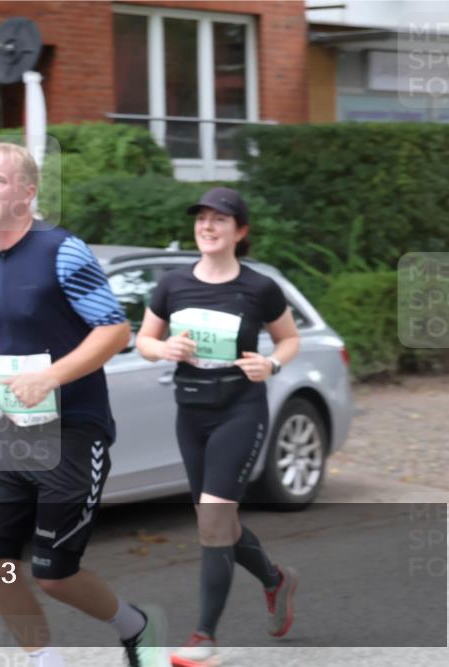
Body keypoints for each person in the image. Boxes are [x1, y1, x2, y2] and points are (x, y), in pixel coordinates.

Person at [0, 143, 167, 667]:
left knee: (55, 572)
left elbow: (114, 329)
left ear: (28, 192)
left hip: (73, 430)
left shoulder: (63, 250)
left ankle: (137, 626)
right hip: (16, 430)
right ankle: (45, 662)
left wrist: (52, 377)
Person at [135, 187, 302, 667]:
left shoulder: (259, 288)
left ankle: (203, 636)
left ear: (240, 232)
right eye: (202, 218)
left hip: (241, 409)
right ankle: (275, 579)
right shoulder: (171, 284)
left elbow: (288, 340)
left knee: (212, 518)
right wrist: (163, 349)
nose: (207, 226)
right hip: (191, 411)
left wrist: (270, 365)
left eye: (220, 219)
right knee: (217, 522)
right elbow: (144, 339)